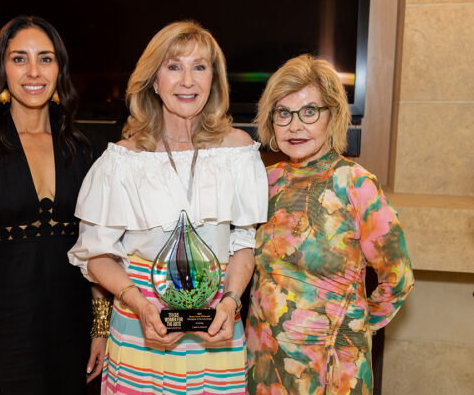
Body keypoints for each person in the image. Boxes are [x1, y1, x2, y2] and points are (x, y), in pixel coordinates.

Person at [68, 20, 268, 394]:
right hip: (142, 327)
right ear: (154, 81)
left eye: (200, 66)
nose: (187, 81)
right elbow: (96, 255)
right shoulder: (121, 161)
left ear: (214, 79)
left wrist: (230, 301)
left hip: (216, 331)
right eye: (174, 67)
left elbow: (244, 242)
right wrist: (141, 307)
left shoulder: (238, 150)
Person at [0, 16, 109, 395]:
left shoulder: (89, 147)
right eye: (19, 59)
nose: (33, 71)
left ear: (59, 68)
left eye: (45, 59)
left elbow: (98, 246)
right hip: (2, 330)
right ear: (2, 67)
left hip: (74, 327)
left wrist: (101, 329)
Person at [246, 54, 415, 395]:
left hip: (331, 374)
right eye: (283, 113)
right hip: (263, 366)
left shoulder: (355, 184)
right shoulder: (262, 182)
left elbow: (399, 277)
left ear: (333, 115)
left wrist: (356, 328)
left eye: (309, 112)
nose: (295, 126)